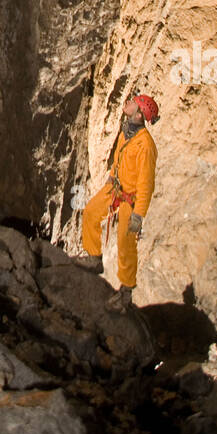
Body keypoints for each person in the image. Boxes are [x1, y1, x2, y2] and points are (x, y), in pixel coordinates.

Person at [75, 92, 159, 310]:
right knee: (91, 212)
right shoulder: (127, 132)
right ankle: (94, 258)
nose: (128, 103)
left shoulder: (146, 146)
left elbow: (146, 183)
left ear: (139, 115)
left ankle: (126, 292)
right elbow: (118, 158)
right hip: (115, 188)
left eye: (133, 103)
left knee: (126, 244)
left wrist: (138, 215)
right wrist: (112, 176)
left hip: (130, 201)